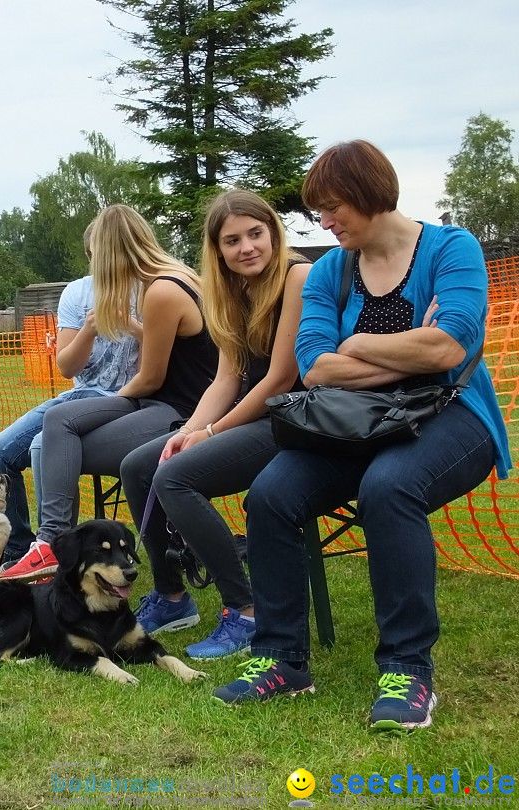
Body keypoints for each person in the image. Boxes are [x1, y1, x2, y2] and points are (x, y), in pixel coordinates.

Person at [213, 141, 511, 732]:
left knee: (388, 488)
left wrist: (358, 346)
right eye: (317, 209)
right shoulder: (328, 269)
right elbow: (316, 366)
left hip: (456, 414)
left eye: (331, 207)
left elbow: (451, 347)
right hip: (355, 423)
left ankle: (407, 669)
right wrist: (407, 353)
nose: (322, 221)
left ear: (371, 194)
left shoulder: (453, 249)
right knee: (270, 496)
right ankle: (281, 660)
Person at [120, 189, 311, 657]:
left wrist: (210, 433)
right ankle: (170, 597)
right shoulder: (227, 292)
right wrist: (190, 430)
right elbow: (226, 378)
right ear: (217, 250)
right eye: (232, 240)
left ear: (272, 232)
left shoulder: (298, 276)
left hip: (298, 417)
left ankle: (245, 610)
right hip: (254, 412)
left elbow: (281, 378)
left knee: (176, 476)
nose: (246, 247)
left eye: (255, 234)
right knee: (139, 465)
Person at [0, 204, 218, 581]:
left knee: (53, 439)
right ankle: (50, 542)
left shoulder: (163, 289)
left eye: (95, 256)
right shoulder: (168, 279)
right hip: (153, 400)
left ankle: (55, 546)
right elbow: (72, 366)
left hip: (178, 408)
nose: (94, 268)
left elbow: (150, 377)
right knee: (56, 420)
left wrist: (115, 402)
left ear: (109, 253)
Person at [0, 218, 141, 563]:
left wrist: (131, 325)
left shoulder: (150, 287)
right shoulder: (77, 292)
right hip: (80, 396)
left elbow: (170, 352)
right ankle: (20, 548)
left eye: (114, 250)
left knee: (43, 444)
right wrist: (88, 330)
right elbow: (66, 367)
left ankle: (57, 551)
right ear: (90, 254)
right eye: (100, 253)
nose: (108, 261)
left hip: (133, 399)